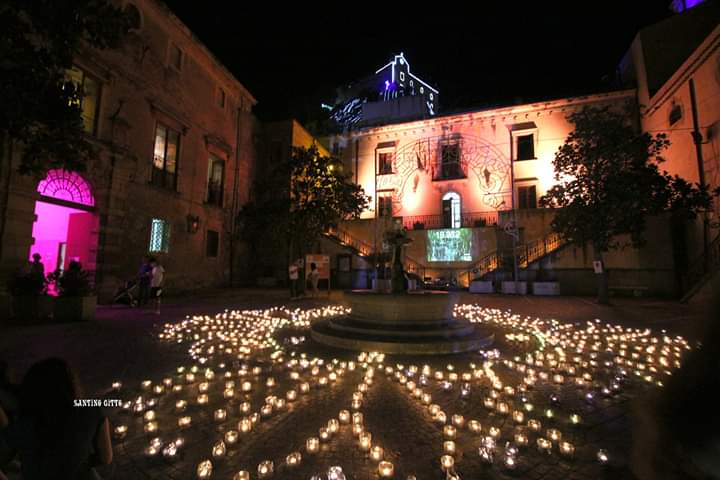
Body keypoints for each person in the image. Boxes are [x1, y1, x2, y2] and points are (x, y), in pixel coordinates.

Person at [0, 358, 113, 480]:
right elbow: (106, 458)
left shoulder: (23, 425)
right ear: (71, 384)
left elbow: (6, 453)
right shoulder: (91, 409)